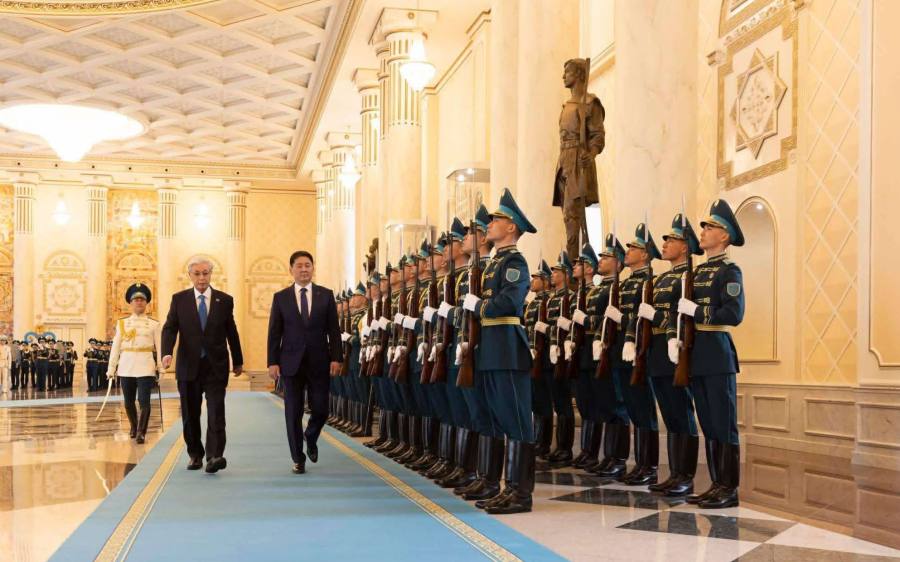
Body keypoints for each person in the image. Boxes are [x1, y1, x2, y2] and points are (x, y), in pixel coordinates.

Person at [462, 187, 538, 514]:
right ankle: (497, 484)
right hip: (489, 348)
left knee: (516, 420)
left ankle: (520, 493)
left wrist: (478, 306)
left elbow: (509, 301)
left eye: (496, 220)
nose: (489, 224)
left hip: (507, 347)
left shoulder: (514, 261)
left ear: (511, 227)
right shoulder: (493, 263)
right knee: (495, 417)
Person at [679, 199, 745, 509]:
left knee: (723, 422)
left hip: (717, 354)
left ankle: (729, 488)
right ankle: (716, 483)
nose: (703, 231)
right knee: (708, 423)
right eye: (704, 226)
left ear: (725, 235)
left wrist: (697, 310)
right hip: (697, 355)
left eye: (710, 227)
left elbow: (733, 313)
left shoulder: (729, 271)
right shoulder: (698, 272)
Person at [162, 256, 244, 473]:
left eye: (205, 273)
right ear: (190, 275)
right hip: (188, 366)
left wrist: (238, 360)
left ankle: (214, 456)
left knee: (216, 412)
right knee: (190, 414)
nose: (201, 278)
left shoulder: (224, 300)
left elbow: (231, 331)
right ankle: (195, 454)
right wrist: (166, 353)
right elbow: (170, 328)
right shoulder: (179, 300)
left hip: (215, 366)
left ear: (211, 274)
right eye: (197, 274)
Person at [267, 250, 342, 475]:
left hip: (319, 361)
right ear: (291, 269)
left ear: (313, 268)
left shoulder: (325, 295)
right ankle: (298, 458)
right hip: (290, 362)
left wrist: (336, 357)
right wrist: (272, 361)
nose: (304, 269)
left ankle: (311, 436)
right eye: (299, 266)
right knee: (293, 412)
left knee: (321, 409)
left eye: (307, 265)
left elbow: (334, 330)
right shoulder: (281, 297)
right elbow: (274, 332)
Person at [645, 213, 702, 497]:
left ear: (686, 246)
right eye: (665, 240)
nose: (665, 244)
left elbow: (678, 315)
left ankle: (686, 476)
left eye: (672, 240)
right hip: (657, 351)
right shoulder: (661, 279)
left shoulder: (689, 277)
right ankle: (674, 472)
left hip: (676, 349)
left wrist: (657, 319)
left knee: (682, 412)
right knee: (669, 414)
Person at [107, 283, 162, 443]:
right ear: (130, 303)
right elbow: (116, 346)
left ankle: (141, 432)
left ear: (146, 303)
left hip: (145, 366)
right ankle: (134, 426)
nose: (139, 302)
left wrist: (161, 367)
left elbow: (159, 347)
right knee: (128, 401)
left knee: (144, 401)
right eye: (136, 300)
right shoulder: (122, 323)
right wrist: (111, 367)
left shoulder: (154, 324)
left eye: (142, 300)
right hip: (126, 366)